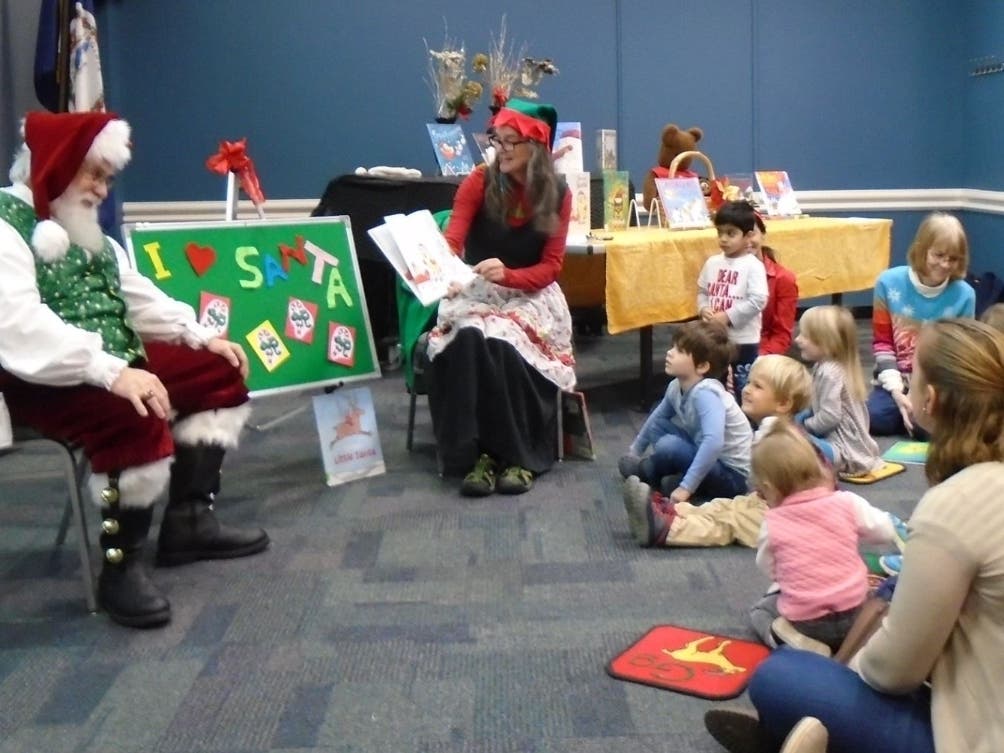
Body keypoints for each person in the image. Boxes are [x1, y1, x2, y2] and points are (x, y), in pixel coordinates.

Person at [0, 111, 268, 628]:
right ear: (58, 164)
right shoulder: (6, 226)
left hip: (106, 359)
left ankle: (189, 519)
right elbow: (17, 327)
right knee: (136, 407)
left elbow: (132, 295)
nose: (101, 190)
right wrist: (110, 371)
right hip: (36, 375)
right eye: (93, 174)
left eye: (106, 178)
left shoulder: (81, 224)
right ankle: (119, 568)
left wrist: (197, 335)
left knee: (216, 372)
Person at [705, 318, 1004, 753]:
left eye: (912, 376)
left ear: (930, 400)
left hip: (977, 728)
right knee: (890, 589)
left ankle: (802, 731)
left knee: (778, 676)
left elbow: (893, 673)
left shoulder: (956, 505)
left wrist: (850, 670)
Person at [427, 99, 574, 497]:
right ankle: (479, 453)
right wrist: (443, 266)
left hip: (531, 294)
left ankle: (520, 456)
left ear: (537, 148)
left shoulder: (557, 192)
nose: (502, 149)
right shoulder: (479, 180)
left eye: (512, 142)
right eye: (498, 140)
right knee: (472, 337)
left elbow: (551, 267)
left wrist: (509, 275)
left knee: (506, 343)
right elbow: (453, 240)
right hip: (477, 290)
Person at [622, 354, 813, 549]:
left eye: (758, 387)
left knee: (728, 523)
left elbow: (788, 489)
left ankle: (668, 528)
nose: (747, 390)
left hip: (784, 519)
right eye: (749, 383)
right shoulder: (773, 430)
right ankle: (668, 511)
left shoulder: (780, 438)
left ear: (783, 403)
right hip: (769, 503)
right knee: (724, 506)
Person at [745, 422, 899, 656]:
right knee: (868, 580)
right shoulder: (846, 502)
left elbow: (767, 565)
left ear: (768, 488)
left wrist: (793, 577)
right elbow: (885, 530)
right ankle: (863, 639)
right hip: (855, 611)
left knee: (760, 611)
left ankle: (792, 641)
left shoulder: (773, 521)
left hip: (807, 623)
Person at [618, 320, 752, 508]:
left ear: (702, 366)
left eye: (679, 351)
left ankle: (658, 474)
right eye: (672, 347)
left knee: (669, 445)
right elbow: (657, 418)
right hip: (707, 457)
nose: (669, 353)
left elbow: (713, 443)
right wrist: (635, 451)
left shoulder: (706, 394)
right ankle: (673, 477)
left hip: (731, 476)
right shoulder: (676, 385)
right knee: (659, 427)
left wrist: (686, 488)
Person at [867, 212, 974, 437]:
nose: (945, 264)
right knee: (876, 419)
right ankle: (902, 411)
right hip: (894, 377)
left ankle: (912, 417)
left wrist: (928, 396)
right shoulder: (887, 282)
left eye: (953, 259)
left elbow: (959, 357)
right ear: (922, 248)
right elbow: (883, 344)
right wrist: (897, 391)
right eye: (939, 255)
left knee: (926, 427)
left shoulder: (965, 295)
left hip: (936, 383)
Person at [794, 306, 884, 477]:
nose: (797, 339)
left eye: (805, 336)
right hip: (846, 445)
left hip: (843, 450)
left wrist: (803, 427)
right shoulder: (828, 366)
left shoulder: (830, 372)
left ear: (827, 341)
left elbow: (829, 417)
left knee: (791, 440)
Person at [698, 200, 769, 400]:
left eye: (731, 233)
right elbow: (702, 291)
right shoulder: (712, 263)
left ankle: (745, 426)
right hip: (715, 339)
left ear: (747, 237)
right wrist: (704, 309)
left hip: (743, 341)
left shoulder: (753, 266)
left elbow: (758, 300)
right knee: (714, 386)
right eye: (720, 232)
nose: (723, 239)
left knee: (742, 389)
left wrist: (727, 317)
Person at [750, 214, 798, 356]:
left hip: (760, 353)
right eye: (737, 234)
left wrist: (760, 359)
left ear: (762, 235)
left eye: (751, 234)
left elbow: (781, 335)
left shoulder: (783, 278)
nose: (746, 241)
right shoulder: (720, 270)